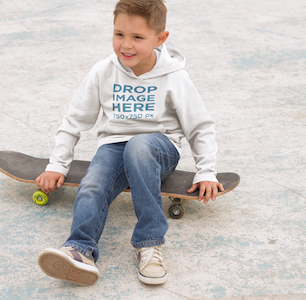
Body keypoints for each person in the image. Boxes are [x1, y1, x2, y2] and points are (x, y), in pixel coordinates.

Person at [36, 0, 224, 286]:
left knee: (139, 146)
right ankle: (79, 250)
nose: (126, 45)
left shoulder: (175, 77)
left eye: (138, 37)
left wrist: (206, 170)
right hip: (114, 145)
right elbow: (74, 119)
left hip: (159, 149)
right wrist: (57, 165)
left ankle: (149, 243)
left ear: (161, 38)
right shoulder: (103, 71)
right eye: (119, 34)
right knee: (93, 183)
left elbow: (200, 127)